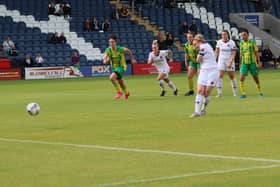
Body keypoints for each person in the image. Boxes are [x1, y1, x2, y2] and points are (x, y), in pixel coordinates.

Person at [190, 34, 218, 117]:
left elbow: (198, 59)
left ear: (200, 41)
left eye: (195, 44)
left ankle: (203, 109)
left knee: (206, 93)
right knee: (200, 91)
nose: (195, 47)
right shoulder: (204, 47)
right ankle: (197, 112)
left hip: (212, 71)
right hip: (204, 70)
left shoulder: (203, 46)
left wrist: (198, 58)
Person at [103, 35, 137, 100]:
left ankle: (119, 92)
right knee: (120, 82)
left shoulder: (120, 49)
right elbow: (105, 56)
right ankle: (126, 93)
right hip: (114, 68)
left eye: (112, 42)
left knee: (111, 78)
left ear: (115, 42)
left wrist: (132, 59)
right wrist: (105, 60)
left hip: (121, 67)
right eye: (110, 42)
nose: (111, 43)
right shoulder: (108, 50)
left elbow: (128, 51)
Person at [239, 29, 263, 98]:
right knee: (241, 78)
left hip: (252, 63)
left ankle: (260, 91)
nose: (243, 36)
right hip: (244, 63)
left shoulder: (252, 42)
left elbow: (256, 53)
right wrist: (240, 63)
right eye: (242, 35)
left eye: (244, 35)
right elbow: (241, 54)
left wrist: (259, 62)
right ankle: (243, 93)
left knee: (256, 78)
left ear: (248, 35)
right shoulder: (241, 43)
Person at [215, 30, 238, 97]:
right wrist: (214, 60)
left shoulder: (232, 42)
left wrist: (230, 62)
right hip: (221, 61)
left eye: (225, 34)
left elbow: (233, 53)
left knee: (231, 77)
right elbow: (216, 52)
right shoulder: (219, 42)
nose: (224, 36)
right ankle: (219, 93)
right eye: (222, 34)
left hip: (229, 60)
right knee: (219, 76)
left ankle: (235, 92)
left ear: (228, 35)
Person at [184, 32, 199, 96]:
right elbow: (186, 54)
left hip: (199, 62)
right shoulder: (186, 45)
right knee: (189, 76)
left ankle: (201, 90)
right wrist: (186, 62)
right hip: (192, 62)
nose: (189, 38)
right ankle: (191, 91)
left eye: (190, 37)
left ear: (193, 37)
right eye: (188, 37)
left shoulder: (196, 44)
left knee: (200, 77)